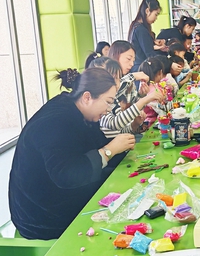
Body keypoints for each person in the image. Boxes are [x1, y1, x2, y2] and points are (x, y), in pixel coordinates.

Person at [8, 68, 136, 240]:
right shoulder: (55, 121)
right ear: (87, 97)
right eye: (107, 102)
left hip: (57, 194)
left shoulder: (81, 112)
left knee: (126, 186)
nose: (108, 110)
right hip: (41, 216)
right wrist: (110, 150)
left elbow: (96, 145)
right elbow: (66, 175)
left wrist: (119, 148)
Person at [106, 40, 161, 137]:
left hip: (126, 135)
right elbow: (116, 90)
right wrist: (132, 76)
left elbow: (135, 109)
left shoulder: (129, 82)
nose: (132, 64)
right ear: (115, 56)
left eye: (133, 60)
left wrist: (142, 95)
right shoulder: (108, 84)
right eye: (128, 59)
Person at [128, 0, 162, 70]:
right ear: (147, 11)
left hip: (137, 66)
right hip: (141, 68)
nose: (156, 18)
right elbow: (149, 53)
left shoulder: (136, 25)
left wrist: (153, 43)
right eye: (156, 14)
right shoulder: (141, 29)